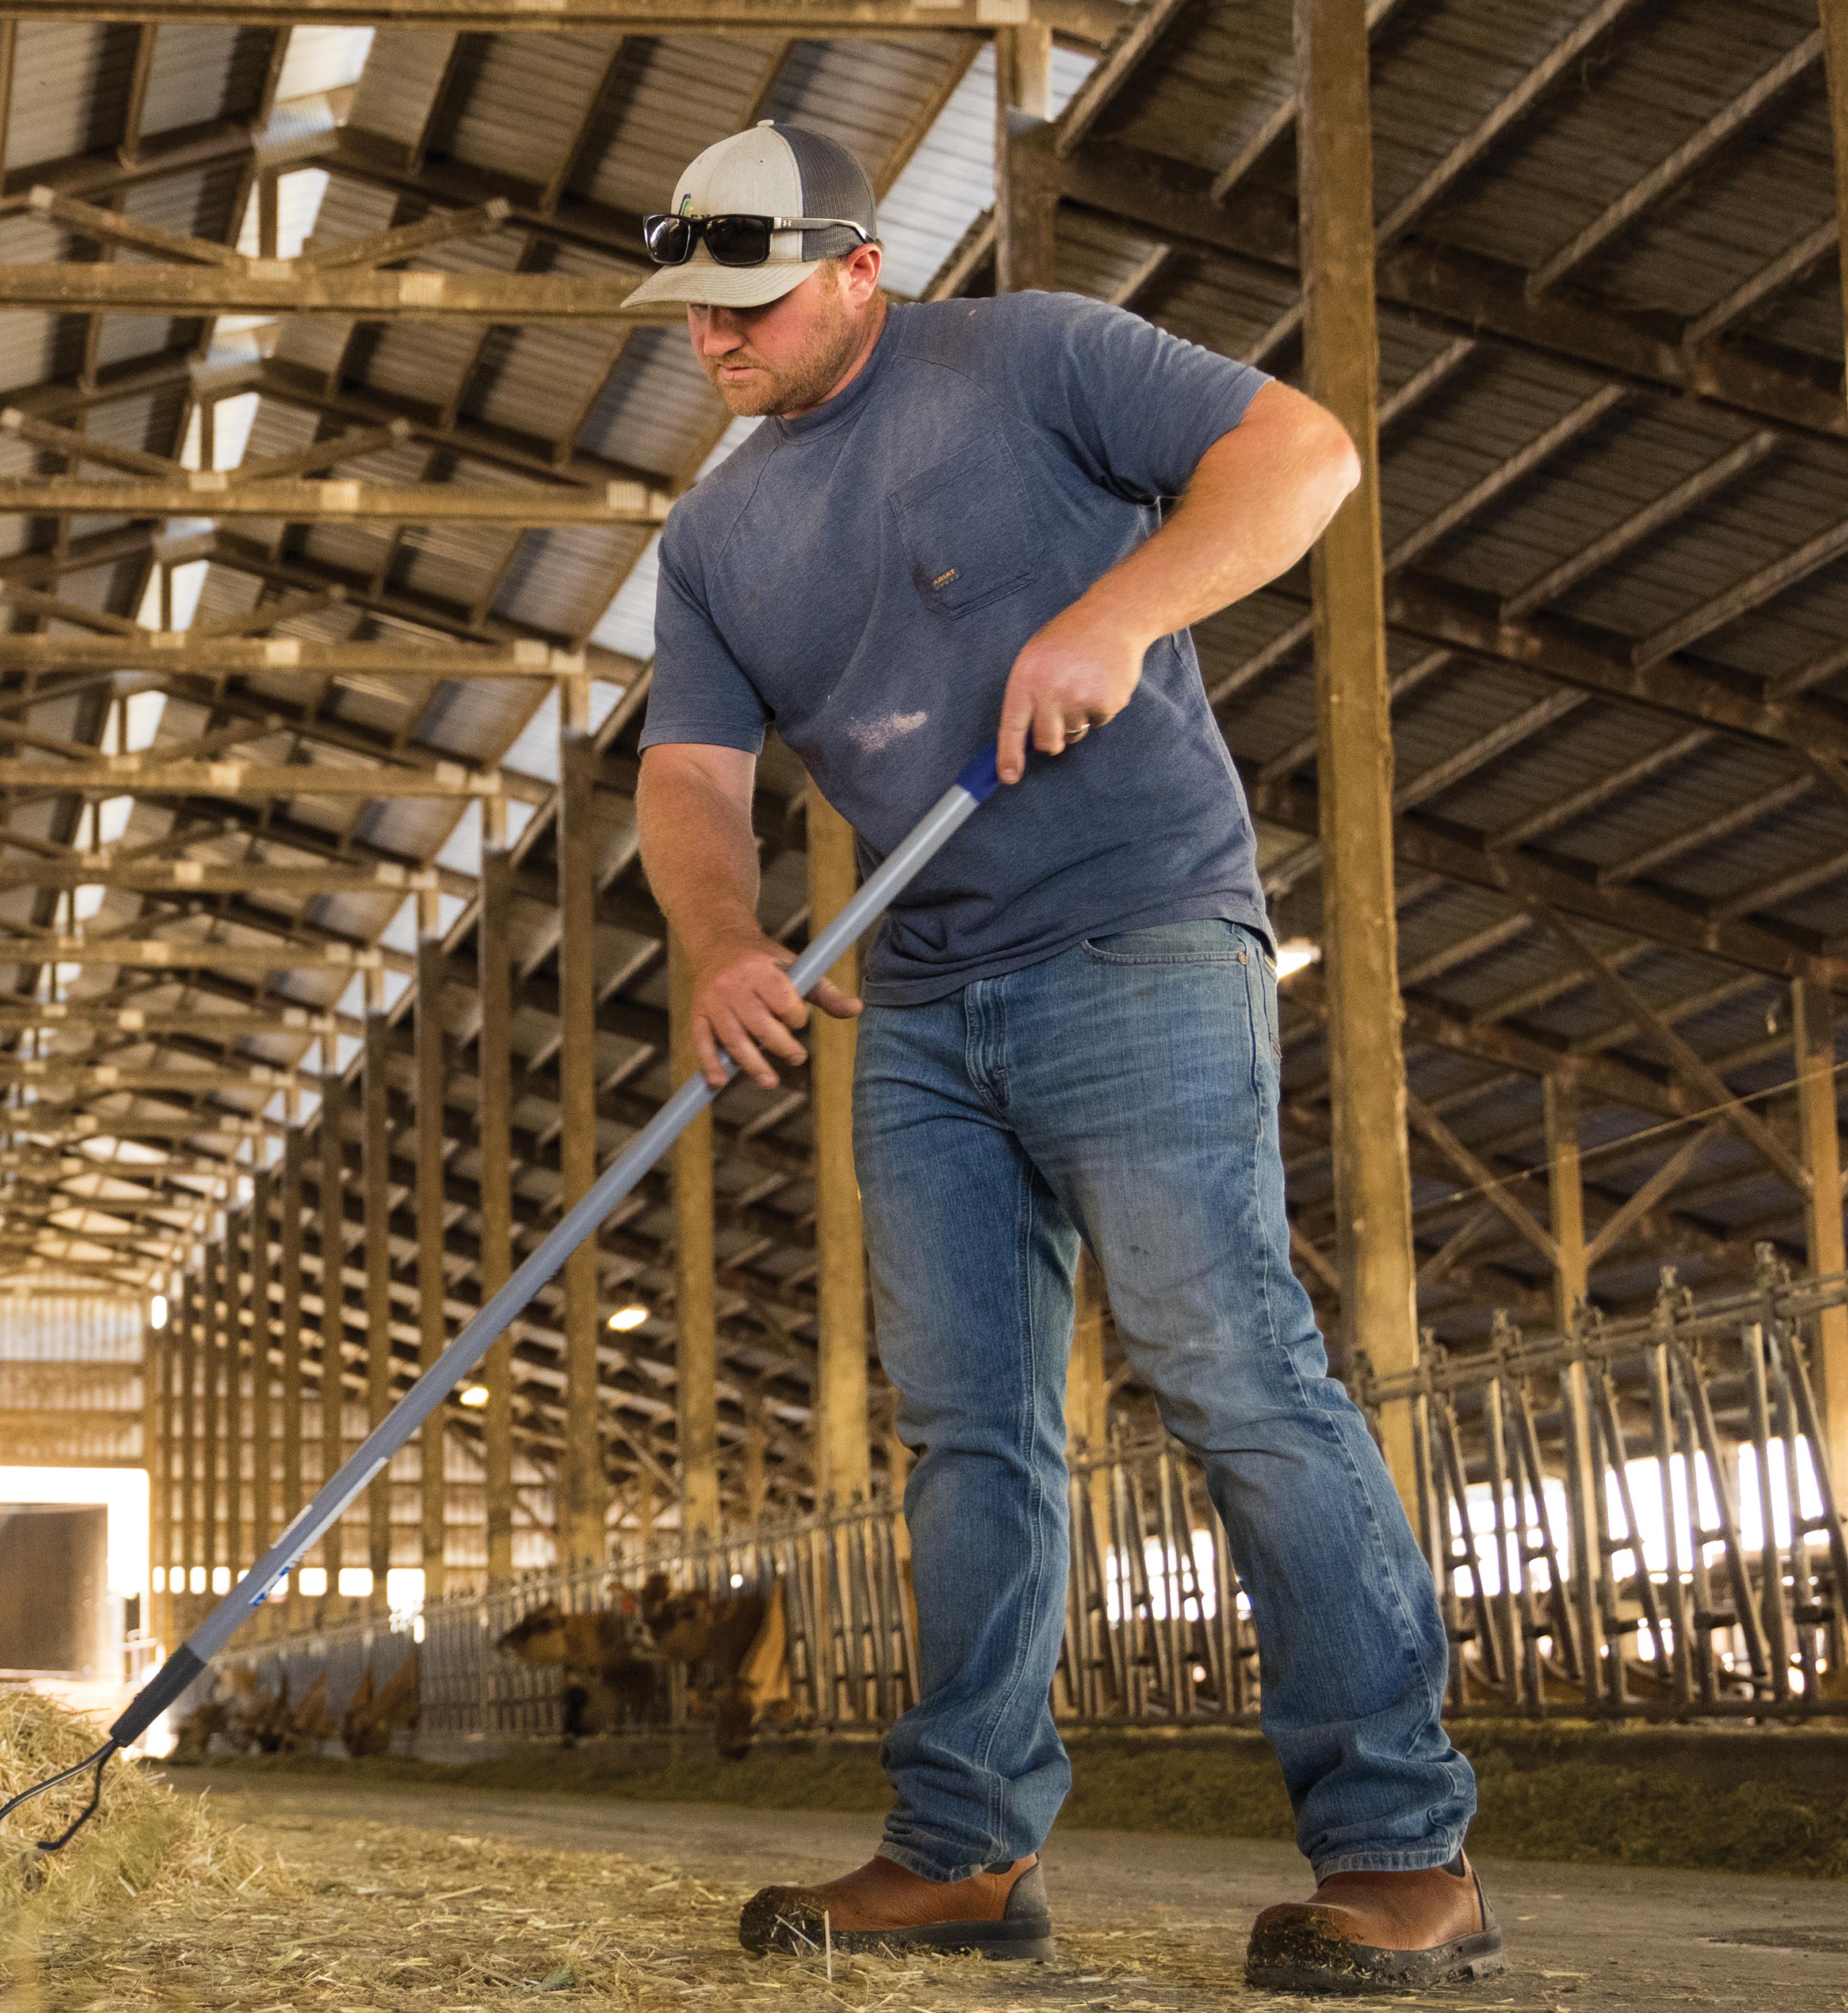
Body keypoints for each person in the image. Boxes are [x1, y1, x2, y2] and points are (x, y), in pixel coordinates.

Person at [627, 121, 1502, 1994]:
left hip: (1136, 936)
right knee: (965, 1431)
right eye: (694, 310)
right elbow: (688, 778)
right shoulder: (714, 536)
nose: (712, 339)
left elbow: (1303, 455)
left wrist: (1118, 610)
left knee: (1225, 1361)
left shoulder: (1031, 357)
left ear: (858, 263)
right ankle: (961, 1847)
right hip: (921, 1004)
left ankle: (1400, 1846)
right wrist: (721, 939)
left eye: (749, 298)